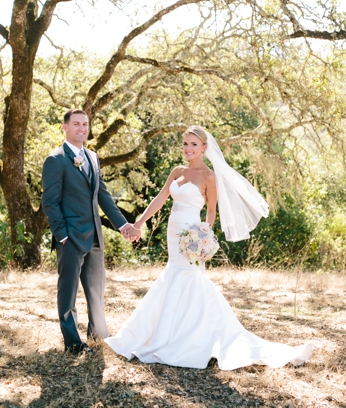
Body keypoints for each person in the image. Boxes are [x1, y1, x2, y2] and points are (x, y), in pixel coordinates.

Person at [105, 125, 313, 369]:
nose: (188, 148)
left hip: (191, 236)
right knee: (174, 275)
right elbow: (160, 199)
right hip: (173, 233)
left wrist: (203, 237)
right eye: (185, 143)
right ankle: (164, 333)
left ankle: (193, 336)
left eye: (194, 144)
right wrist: (138, 224)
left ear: (204, 148)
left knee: (190, 277)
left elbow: (211, 211)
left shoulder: (209, 177)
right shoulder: (177, 171)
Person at [41, 109, 140, 355]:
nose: (81, 128)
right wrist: (62, 235)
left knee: (96, 290)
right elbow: (50, 203)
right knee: (68, 292)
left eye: (85, 124)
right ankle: (73, 343)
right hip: (70, 238)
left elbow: (102, 196)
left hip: (95, 235)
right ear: (65, 127)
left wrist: (123, 225)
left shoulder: (93, 157)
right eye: (76, 124)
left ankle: (99, 335)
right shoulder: (55, 160)